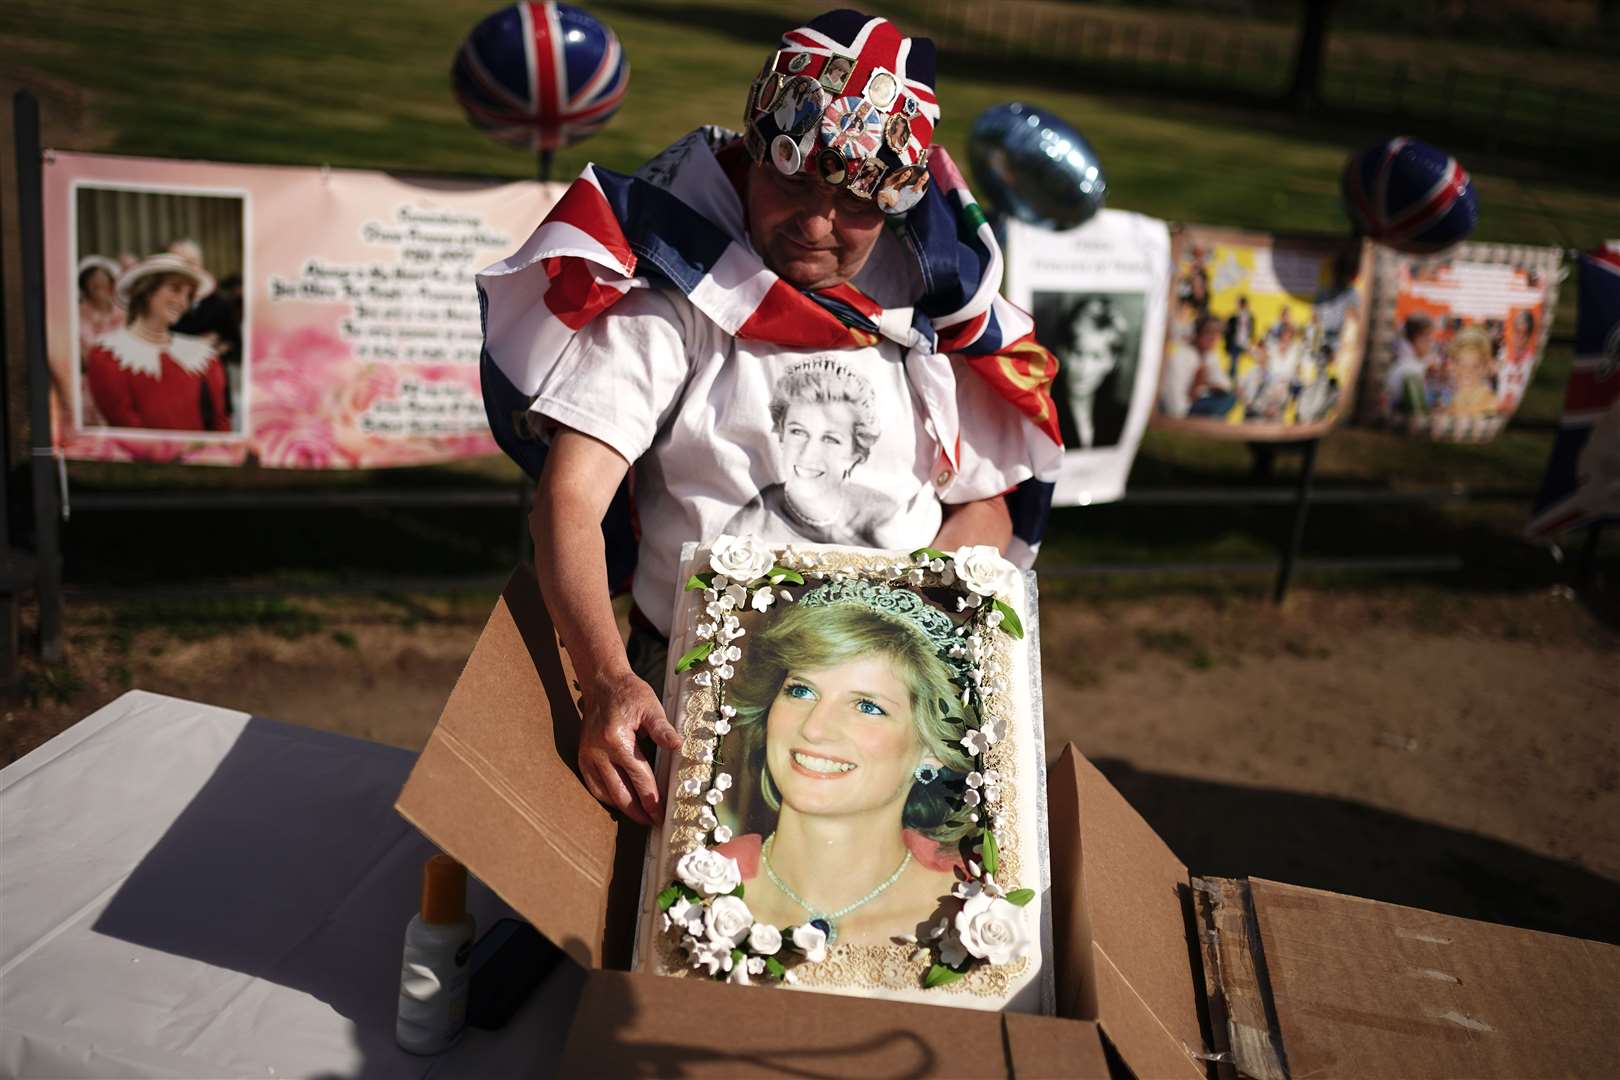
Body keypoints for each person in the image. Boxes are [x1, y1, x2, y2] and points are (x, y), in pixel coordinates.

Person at [478, 10, 1063, 824]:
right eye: (794, 183)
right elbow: (571, 498)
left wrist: (908, 629)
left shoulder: (931, 306)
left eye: (855, 204)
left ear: (893, 204)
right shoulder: (675, 291)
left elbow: (984, 506)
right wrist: (610, 681)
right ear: (755, 153)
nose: (818, 225)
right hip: (691, 688)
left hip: (891, 688)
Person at [714, 580, 971, 946]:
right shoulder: (699, 888)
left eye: (867, 706)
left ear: (932, 747)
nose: (815, 729)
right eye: (801, 691)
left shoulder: (972, 903)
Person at [724, 357, 899, 543]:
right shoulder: (750, 526)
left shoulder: (883, 514)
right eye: (798, 432)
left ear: (856, 454)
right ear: (781, 436)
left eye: (830, 439)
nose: (808, 454)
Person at [85, 253, 229, 432]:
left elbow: (221, 423)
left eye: (189, 295)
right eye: (175, 289)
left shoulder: (204, 355)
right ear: (147, 291)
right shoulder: (108, 354)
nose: (183, 302)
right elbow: (127, 427)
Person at [1059, 296, 1128, 448]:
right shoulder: (1042, 413)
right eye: (1077, 352)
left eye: (1096, 356)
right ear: (1063, 352)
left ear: (1112, 361)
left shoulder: (1120, 416)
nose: (1084, 369)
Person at [1160, 314, 1233, 419]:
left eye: (1217, 334)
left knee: (1229, 397)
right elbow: (1174, 403)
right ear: (1196, 334)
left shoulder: (1210, 356)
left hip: (1198, 403)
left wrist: (1207, 384)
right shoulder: (1181, 357)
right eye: (1209, 333)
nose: (1214, 338)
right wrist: (1195, 386)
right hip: (1182, 410)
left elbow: (1226, 385)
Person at [1386, 313, 1436, 418]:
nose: (1430, 343)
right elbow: (1418, 414)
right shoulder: (1410, 370)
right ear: (1417, 338)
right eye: (1428, 338)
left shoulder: (1410, 365)